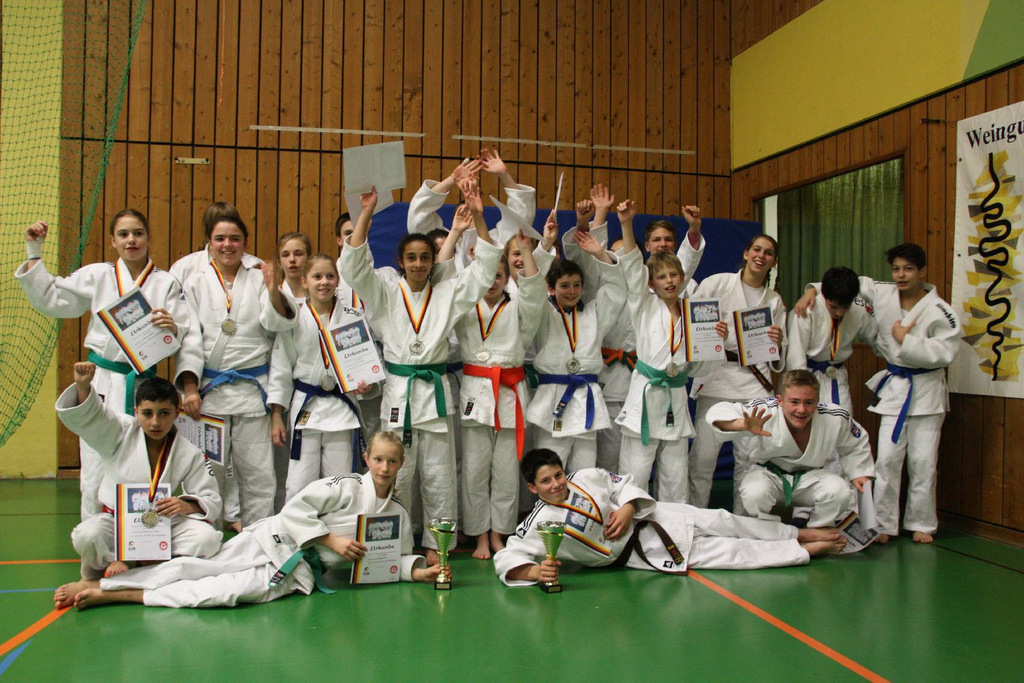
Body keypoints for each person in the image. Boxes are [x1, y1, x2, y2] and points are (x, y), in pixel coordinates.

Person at [65, 432, 446, 610]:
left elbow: (392, 558)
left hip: (300, 571)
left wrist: (417, 572)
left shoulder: (397, 512)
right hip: (273, 539)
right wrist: (330, 539)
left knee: (223, 593)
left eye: (392, 461)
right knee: (195, 567)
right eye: (378, 459)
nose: (384, 468)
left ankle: (126, 594)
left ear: (401, 464)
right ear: (367, 459)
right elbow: (295, 509)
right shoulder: (344, 486)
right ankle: (99, 584)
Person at [342, 183, 501, 564]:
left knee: (439, 476)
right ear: (401, 261)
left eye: (425, 257)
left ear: (434, 261)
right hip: (400, 394)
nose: (418, 264)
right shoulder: (384, 292)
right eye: (411, 258)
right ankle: (393, 541)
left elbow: (484, 270)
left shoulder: (448, 292)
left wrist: (479, 217)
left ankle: (436, 543)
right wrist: (366, 213)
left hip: (435, 394)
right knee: (395, 473)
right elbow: (353, 267)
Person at [16, 213, 193, 520]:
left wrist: (173, 327)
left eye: (138, 233)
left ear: (149, 238)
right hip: (102, 380)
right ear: (113, 241)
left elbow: (184, 333)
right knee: (95, 460)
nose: (131, 240)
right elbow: (52, 298)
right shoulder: (97, 275)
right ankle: (94, 534)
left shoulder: (166, 283)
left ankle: (140, 533)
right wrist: (34, 251)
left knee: (142, 459)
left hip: (143, 386)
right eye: (123, 234)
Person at [794, 243, 962, 543]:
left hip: (927, 390)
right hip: (896, 390)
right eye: (896, 269)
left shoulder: (941, 311)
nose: (901, 275)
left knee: (923, 462)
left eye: (908, 269)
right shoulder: (883, 292)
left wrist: (907, 342)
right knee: (885, 461)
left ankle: (922, 523)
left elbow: (947, 351)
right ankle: (883, 523)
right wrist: (811, 290)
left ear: (922, 271)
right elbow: (844, 284)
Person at [493, 449, 845, 587]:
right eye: (546, 481)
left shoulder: (585, 477)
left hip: (655, 515)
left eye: (558, 474)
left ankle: (798, 534)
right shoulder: (537, 524)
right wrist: (535, 572)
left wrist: (628, 507)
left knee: (726, 521)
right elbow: (507, 555)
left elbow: (622, 485)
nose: (557, 484)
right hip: (640, 552)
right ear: (532, 488)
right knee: (728, 554)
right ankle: (803, 552)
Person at [53, 362, 222, 607]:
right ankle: (91, 577)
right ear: (136, 411)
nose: (155, 422)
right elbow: (93, 418)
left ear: (177, 413)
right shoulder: (119, 432)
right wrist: (83, 388)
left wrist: (186, 505)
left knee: (206, 539)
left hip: (161, 523)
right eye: (147, 413)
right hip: (117, 524)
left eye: (164, 413)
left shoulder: (189, 450)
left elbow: (210, 496)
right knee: (88, 534)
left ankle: (132, 572)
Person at [177, 215, 298, 529]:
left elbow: (277, 325)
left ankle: (257, 540)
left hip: (251, 392)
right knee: (206, 473)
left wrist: (273, 289)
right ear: (210, 243)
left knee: (259, 475)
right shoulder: (195, 282)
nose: (227, 245)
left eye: (234, 238)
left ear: (245, 242)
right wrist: (189, 388)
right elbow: (190, 338)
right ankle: (204, 536)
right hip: (209, 393)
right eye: (220, 239)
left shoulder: (258, 277)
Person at [454, 216, 556, 559]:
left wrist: (528, 251)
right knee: (474, 471)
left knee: (506, 471)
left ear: (507, 278)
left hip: (510, 393)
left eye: (499, 276)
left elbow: (535, 291)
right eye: (488, 276)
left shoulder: (520, 308)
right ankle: (479, 535)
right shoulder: (465, 308)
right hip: (475, 393)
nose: (492, 282)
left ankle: (499, 532)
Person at [613, 199, 724, 502]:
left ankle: (674, 527)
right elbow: (633, 266)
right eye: (662, 277)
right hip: (646, 395)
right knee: (636, 471)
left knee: (675, 476)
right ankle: (631, 523)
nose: (670, 281)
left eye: (674, 276)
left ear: (682, 279)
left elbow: (698, 367)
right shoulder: (643, 303)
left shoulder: (691, 314)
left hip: (676, 396)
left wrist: (715, 343)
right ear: (651, 282)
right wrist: (626, 224)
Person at [688, 234, 786, 511]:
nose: (761, 256)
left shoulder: (774, 300)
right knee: (702, 459)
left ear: (773, 262)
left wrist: (778, 343)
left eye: (768, 253)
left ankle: (744, 520)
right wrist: (713, 334)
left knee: (749, 461)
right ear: (746, 253)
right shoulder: (717, 283)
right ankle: (697, 518)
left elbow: (777, 356)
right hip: (716, 378)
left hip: (755, 384)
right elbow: (693, 325)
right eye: (757, 249)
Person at [706, 370, 874, 528]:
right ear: (779, 400)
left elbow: (855, 445)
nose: (801, 410)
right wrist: (743, 424)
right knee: (754, 492)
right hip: (769, 475)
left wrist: (858, 472)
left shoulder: (835, 417)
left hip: (811, 478)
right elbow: (718, 412)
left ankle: (818, 530)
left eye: (809, 403)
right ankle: (768, 531)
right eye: (794, 402)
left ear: (817, 401)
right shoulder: (766, 410)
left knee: (840, 490)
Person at [526, 216, 626, 473]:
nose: (571, 291)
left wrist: (600, 254)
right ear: (551, 288)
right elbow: (531, 288)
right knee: (548, 468)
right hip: (552, 398)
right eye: (564, 286)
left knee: (585, 471)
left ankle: (582, 500)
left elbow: (617, 291)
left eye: (576, 285)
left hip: (585, 397)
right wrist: (545, 246)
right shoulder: (542, 312)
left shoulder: (595, 313)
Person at [268, 254, 372, 501]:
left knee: (341, 482)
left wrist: (365, 383)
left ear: (338, 281)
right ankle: (297, 525)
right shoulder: (294, 319)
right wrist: (276, 414)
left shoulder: (352, 316)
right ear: (304, 281)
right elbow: (281, 367)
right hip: (307, 405)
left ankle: (338, 525)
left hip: (341, 407)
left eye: (330, 276)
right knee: (299, 482)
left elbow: (364, 362)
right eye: (317, 276)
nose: (324, 282)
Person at [787, 266, 878, 409]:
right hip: (808, 375)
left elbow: (876, 340)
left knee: (843, 420)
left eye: (845, 307)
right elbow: (795, 356)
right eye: (833, 306)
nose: (840, 313)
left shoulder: (858, 309)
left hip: (837, 376)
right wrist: (800, 391)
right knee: (808, 418)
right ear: (824, 296)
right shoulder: (807, 310)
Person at [169, 201, 262, 284]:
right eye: (220, 237)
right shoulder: (184, 267)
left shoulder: (255, 265)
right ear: (209, 234)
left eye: (233, 237)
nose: (227, 244)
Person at [277, 231, 312, 305]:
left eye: (298, 254)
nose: (292, 259)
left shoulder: (324, 296)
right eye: (285, 255)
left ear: (309, 258)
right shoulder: (272, 298)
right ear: (279, 262)